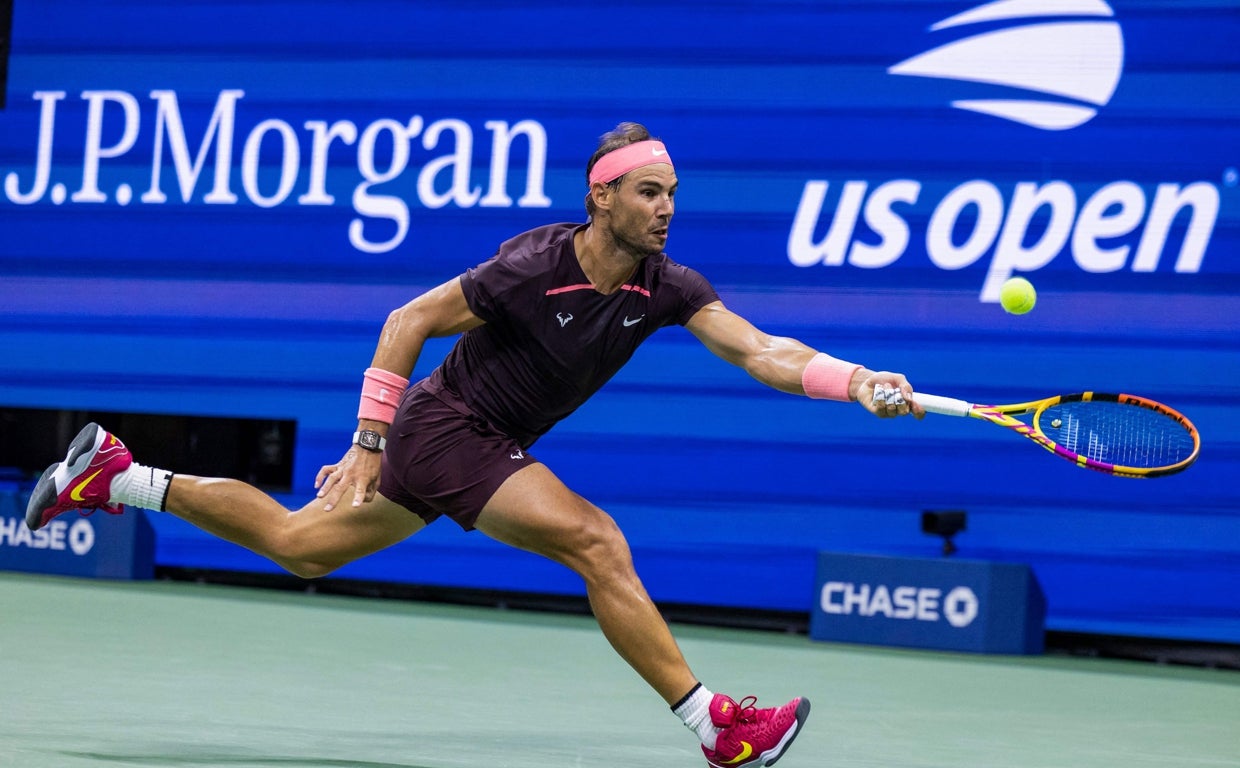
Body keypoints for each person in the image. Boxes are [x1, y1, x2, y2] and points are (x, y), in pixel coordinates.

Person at [27, 122, 922, 768]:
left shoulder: (667, 286)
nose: (665, 210)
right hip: (451, 428)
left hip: (469, 441)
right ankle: (714, 725)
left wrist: (860, 382)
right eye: (650, 192)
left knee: (301, 547)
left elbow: (766, 351)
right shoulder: (534, 264)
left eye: (674, 195)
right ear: (601, 195)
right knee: (596, 540)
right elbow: (407, 319)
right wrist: (371, 439)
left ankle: (120, 476)